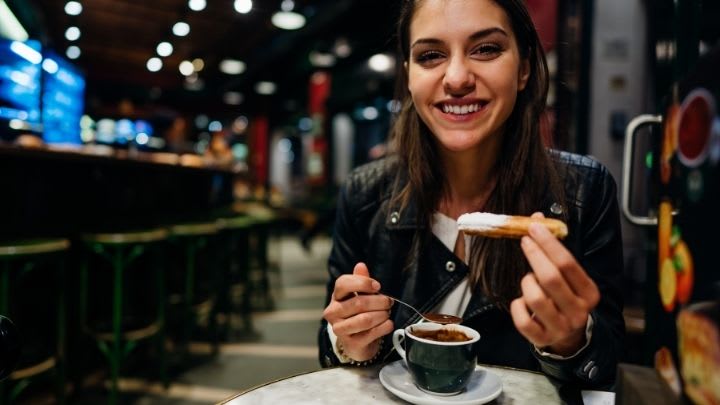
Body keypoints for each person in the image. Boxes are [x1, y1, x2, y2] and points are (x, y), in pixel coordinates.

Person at [319, 0, 624, 389]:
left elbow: (609, 365)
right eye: (431, 55)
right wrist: (349, 341)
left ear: (525, 68)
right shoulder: (365, 194)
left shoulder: (585, 191)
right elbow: (330, 348)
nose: (458, 77)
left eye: (486, 49)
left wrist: (571, 341)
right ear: (410, 76)